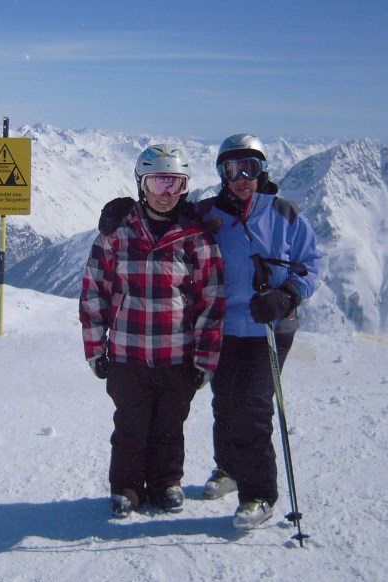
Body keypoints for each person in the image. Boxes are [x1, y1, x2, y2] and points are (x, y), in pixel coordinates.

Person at [97, 134, 321, 530]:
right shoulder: (207, 212)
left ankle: (258, 494)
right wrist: (122, 210)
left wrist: (288, 295)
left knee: (251, 409)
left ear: (261, 170)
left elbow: (311, 264)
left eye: (249, 168)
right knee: (223, 403)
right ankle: (229, 468)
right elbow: (165, 212)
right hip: (219, 327)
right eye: (230, 169)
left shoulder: (285, 214)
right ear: (220, 173)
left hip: (267, 326)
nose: (240, 177)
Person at [79, 144, 226, 518]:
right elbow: (94, 293)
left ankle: (166, 483)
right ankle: (127, 487)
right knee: (130, 424)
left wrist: (205, 359)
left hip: (177, 354)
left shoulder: (196, 238)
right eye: (157, 182)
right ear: (141, 184)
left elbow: (212, 301)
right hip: (128, 354)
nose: (165, 194)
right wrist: (96, 350)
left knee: (170, 424)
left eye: (174, 184)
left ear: (185, 188)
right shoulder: (116, 236)